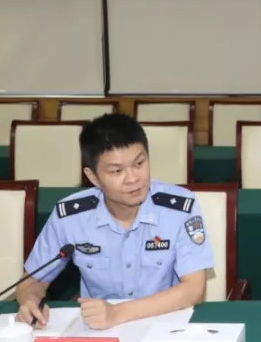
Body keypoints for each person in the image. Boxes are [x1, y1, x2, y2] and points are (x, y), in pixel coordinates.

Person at [15, 113, 212, 330]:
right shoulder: (70, 217)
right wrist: (30, 302)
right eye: (117, 171)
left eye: (139, 163)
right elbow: (31, 281)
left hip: (165, 327)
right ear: (93, 177)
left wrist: (118, 313)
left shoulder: (179, 208)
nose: (133, 178)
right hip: (98, 332)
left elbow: (194, 289)